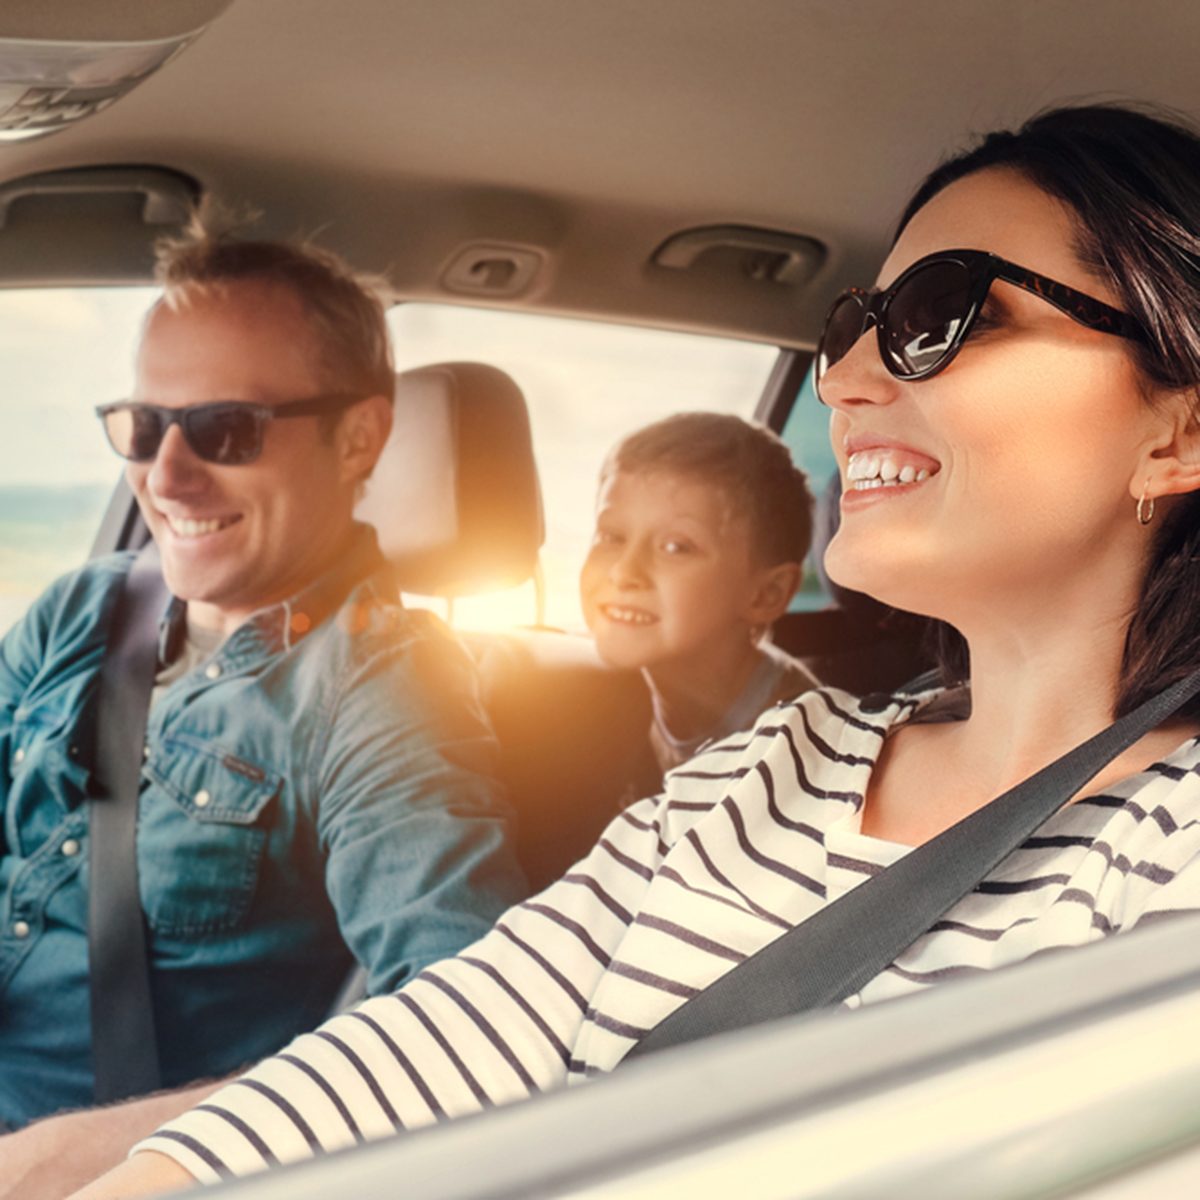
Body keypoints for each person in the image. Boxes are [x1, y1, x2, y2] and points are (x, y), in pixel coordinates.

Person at [66, 101, 1200, 1196]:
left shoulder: (1166, 858)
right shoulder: (770, 768)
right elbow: (452, 1039)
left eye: (943, 316)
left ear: (1180, 427)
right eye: (852, 328)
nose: (846, 384)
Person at [0, 219, 527, 1146]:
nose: (165, 478)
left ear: (360, 438)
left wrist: (66, 1157)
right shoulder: (80, 609)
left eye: (223, 431)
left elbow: (457, 1026)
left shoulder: (383, 688)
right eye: (144, 426)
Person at [580, 412, 818, 775]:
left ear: (766, 595)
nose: (624, 572)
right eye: (612, 537)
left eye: (675, 547)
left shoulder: (797, 748)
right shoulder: (618, 701)